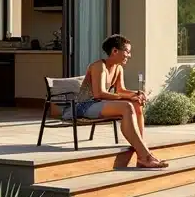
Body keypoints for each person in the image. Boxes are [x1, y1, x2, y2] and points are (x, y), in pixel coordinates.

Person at [66, 35, 168, 168]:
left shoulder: (118, 68)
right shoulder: (99, 66)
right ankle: (145, 155)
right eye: (127, 51)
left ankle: (141, 154)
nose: (129, 55)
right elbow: (99, 93)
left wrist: (136, 94)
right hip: (84, 105)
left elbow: (121, 90)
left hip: (99, 104)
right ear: (115, 51)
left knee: (136, 104)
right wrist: (127, 98)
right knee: (127, 106)